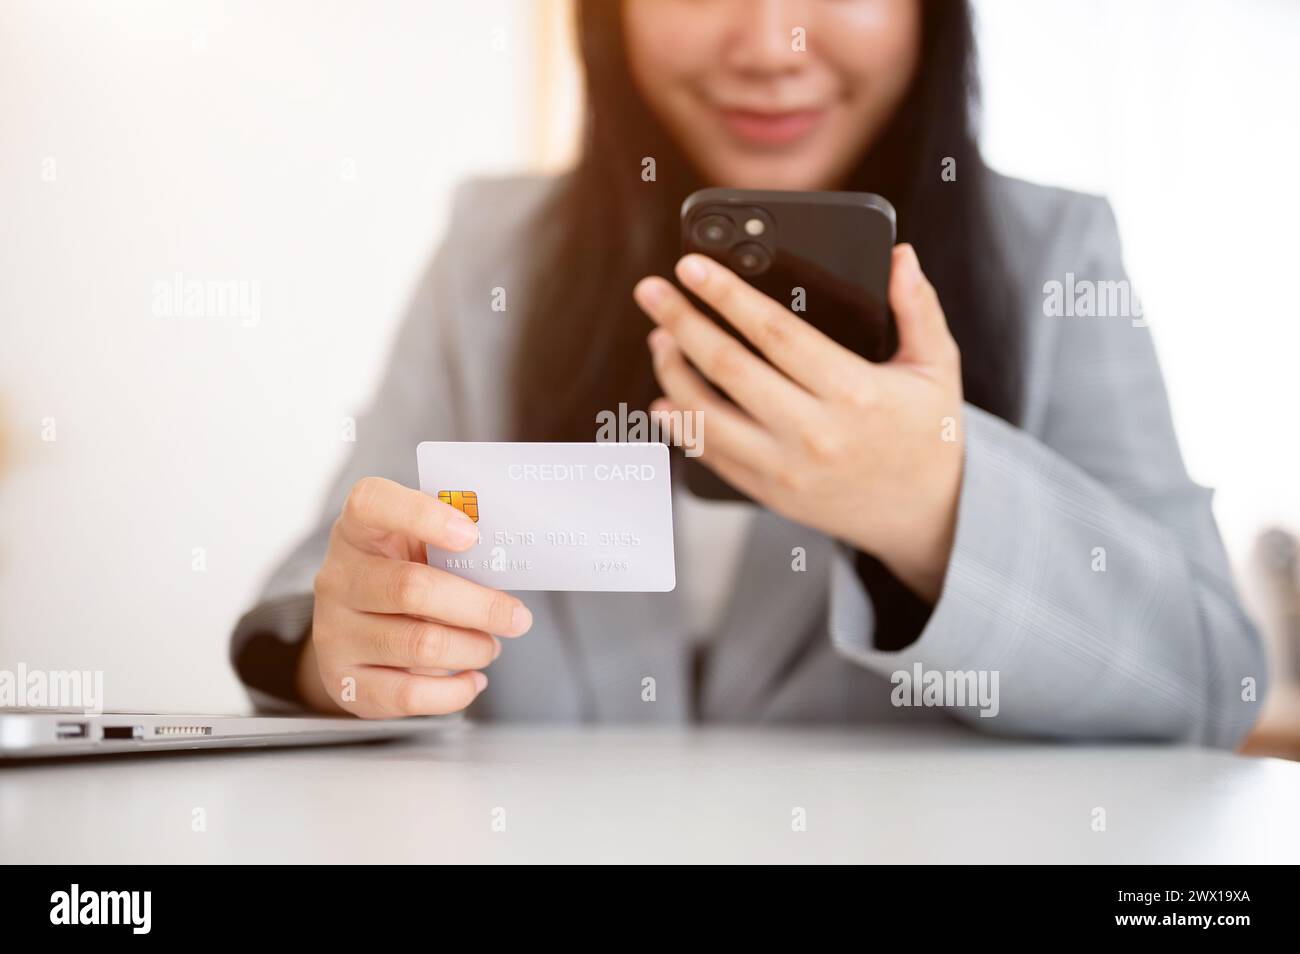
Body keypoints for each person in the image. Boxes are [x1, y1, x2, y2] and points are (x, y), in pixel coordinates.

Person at [231, 0, 1265, 745]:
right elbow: (327, 587)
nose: (772, 43)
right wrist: (345, 655)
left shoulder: (1054, 258)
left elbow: (1215, 681)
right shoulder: (493, 252)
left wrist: (931, 506)